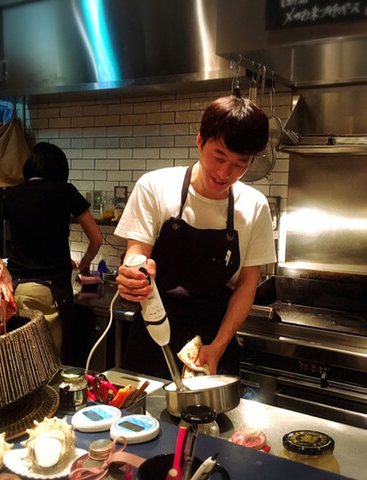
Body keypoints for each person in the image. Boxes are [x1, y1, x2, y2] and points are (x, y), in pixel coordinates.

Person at [114, 95, 276, 378]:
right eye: (219, 157)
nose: (224, 173)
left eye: (240, 164)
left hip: (214, 342)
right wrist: (133, 274)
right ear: (200, 142)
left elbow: (247, 284)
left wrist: (219, 346)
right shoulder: (155, 187)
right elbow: (136, 253)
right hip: (153, 332)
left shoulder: (254, 205)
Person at [4, 142, 103, 360]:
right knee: (50, 361)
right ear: (59, 168)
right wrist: (84, 264)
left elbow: (28, 235)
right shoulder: (65, 191)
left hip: (16, 290)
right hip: (50, 293)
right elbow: (96, 239)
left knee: (21, 360)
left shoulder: (11, 195)